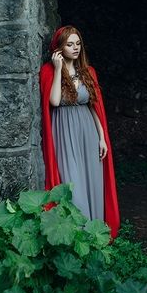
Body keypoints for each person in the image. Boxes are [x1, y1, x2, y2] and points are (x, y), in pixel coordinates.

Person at [38, 25, 120, 240]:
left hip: (88, 132)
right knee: (72, 181)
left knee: (92, 179)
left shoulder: (88, 72)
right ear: (59, 48)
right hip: (64, 133)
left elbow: (94, 108)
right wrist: (58, 69)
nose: (75, 48)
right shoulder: (48, 71)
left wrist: (102, 138)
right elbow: (54, 101)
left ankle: (94, 234)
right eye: (69, 44)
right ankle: (77, 235)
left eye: (78, 44)